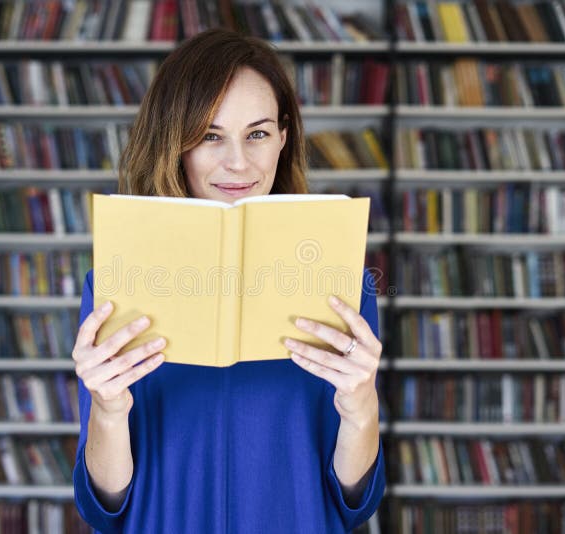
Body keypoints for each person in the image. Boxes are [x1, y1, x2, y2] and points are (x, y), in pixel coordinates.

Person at [72, 28, 385, 533]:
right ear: (176, 145)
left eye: (257, 133)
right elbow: (105, 506)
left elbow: (354, 500)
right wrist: (108, 413)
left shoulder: (343, 280)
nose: (237, 162)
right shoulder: (116, 279)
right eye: (210, 136)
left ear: (284, 137)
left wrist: (360, 406)